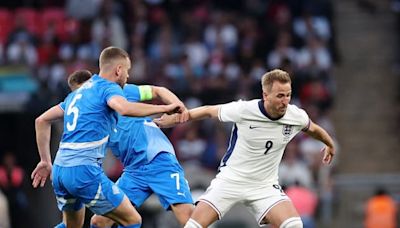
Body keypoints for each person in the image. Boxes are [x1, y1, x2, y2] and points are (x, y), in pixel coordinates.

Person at [155, 69, 336, 228]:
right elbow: (209, 111)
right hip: (231, 180)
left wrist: (329, 143)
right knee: (193, 226)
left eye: (288, 95)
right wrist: (179, 118)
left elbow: (313, 129)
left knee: (294, 224)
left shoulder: (295, 115)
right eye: (280, 96)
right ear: (265, 95)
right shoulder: (244, 110)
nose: (285, 101)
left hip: (264, 186)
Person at [31, 47, 182, 228]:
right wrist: (164, 108)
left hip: (60, 171)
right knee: (132, 220)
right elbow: (124, 108)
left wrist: (45, 161)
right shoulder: (109, 88)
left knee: (72, 226)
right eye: (127, 70)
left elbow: (41, 120)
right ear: (118, 70)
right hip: (83, 171)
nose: (127, 76)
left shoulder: (77, 93)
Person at [90, 83, 194, 227]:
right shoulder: (91, 121)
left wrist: (179, 106)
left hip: (159, 160)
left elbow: (159, 90)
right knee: (99, 221)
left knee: (188, 218)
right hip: (133, 172)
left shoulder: (123, 91)